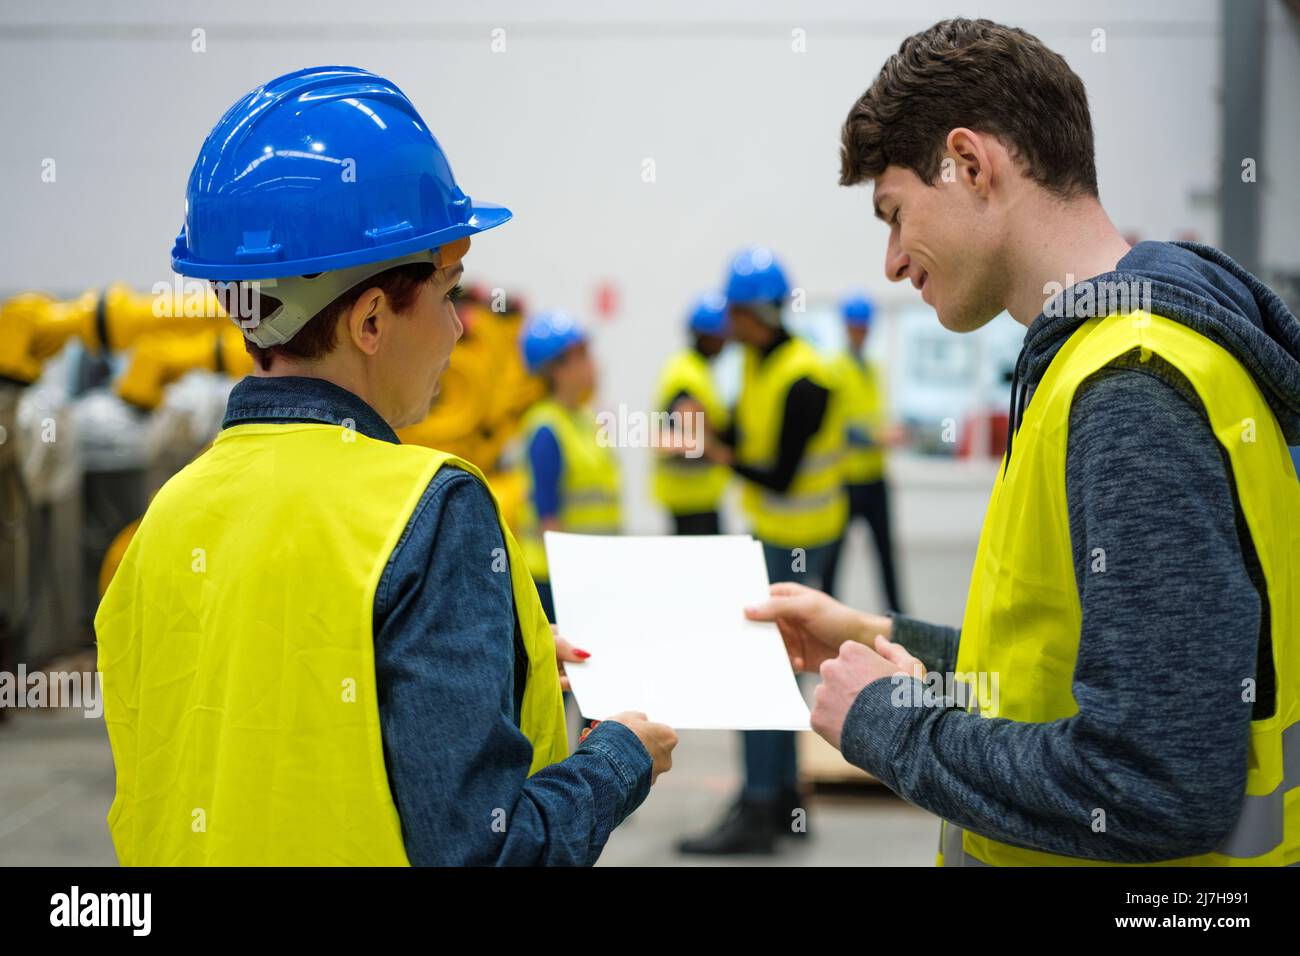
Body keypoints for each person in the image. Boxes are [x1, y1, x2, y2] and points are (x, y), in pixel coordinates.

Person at [748, 18, 1300, 866]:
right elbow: (1063, 669)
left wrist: (889, 723)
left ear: (970, 165)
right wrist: (879, 631)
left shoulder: (1130, 388)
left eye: (896, 214)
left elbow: (1155, 781)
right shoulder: (1101, 358)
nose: (893, 261)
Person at [94, 66, 676, 867]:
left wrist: (497, 658)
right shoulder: (428, 510)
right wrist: (620, 759)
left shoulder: (164, 523)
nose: (460, 332)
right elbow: (485, 854)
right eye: (448, 295)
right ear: (372, 319)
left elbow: (280, 724)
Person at [677, 248, 847, 855]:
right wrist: (711, 426)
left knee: (761, 672)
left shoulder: (807, 376)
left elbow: (777, 473)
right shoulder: (755, 363)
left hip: (802, 540)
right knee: (773, 670)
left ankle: (760, 804)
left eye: (735, 311)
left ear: (756, 315)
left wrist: (712, 452)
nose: (728, 323)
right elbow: (750, 435)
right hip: (772, 534)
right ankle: (780, 798)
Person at [516, 310, 622, 623]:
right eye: (582, 355)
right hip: (557, 578)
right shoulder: (546, 428)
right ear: (556, 369)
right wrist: (576, 579)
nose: (592, 363)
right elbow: (548, 515)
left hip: (587, 571)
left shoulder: (584, 418)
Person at [822, 292, 904, 611]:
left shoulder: (872, 367)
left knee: (886, 553)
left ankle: (899, 617)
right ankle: (827, 612)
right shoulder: (835, 369)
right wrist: (876, 438)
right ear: (846, 327)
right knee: (832, 557)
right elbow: (836, 428)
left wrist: (887, 433)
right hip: (846, 480)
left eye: (865, 327)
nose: (861, 332)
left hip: (875, 478)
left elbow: (872, 416)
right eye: (856, 326)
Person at [651, 292, 731, 535]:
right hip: (691, 498)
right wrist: (725, 455)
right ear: (709, 336)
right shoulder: (687, 374)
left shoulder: (691, 367)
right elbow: (685, 435)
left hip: (694, 495)